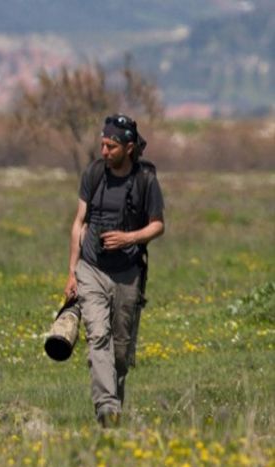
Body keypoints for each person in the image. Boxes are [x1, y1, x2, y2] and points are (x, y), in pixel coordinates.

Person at [64, 114, 165, 427]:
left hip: (128, 273)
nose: (104, 151)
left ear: (129, 147)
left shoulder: (146, 179)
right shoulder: (94, 173)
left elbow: (158, 225)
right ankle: (107, 409)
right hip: (91, 268)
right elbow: (78, 223)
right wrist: (71, 272)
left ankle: (113, 416)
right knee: (98, 336)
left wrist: (129, 238)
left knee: (120, 353)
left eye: (111, 146)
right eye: (102, 145)